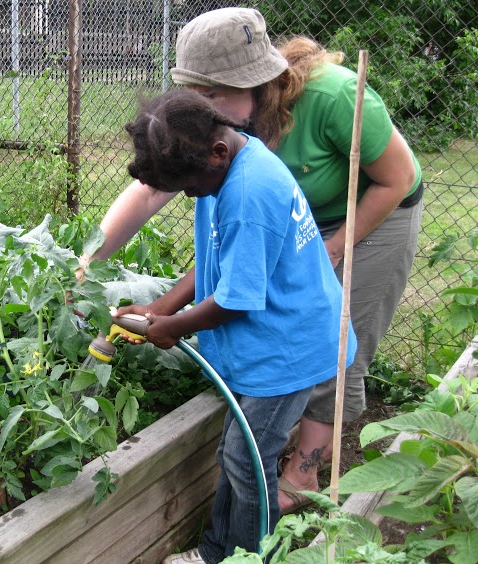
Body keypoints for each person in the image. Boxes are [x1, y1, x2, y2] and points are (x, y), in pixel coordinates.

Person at [79, 7, 423, 516]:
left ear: (254, 84)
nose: (199, 104)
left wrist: (329, 250)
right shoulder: (223, 148)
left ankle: (300, 475)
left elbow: (396, 179)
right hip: (281, 220)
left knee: (328, 348)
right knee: (279, 370)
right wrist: (89, 265)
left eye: (209, 94)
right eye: (192, 92)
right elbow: (159, 198)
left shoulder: (331, 100)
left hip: (373, 209)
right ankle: (262, 467)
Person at [114, 88, 356, 563]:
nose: (188, 195)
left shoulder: (247, 193)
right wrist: (162, 306)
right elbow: (218, 258)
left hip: (288, 348)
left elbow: (236, 300)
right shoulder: (230, 164)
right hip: (274, 339)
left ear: (217, 152)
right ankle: (217, 552)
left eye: (188, 186)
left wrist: (173, 327)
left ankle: (249, 556)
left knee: (247, 462)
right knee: (237, 452)